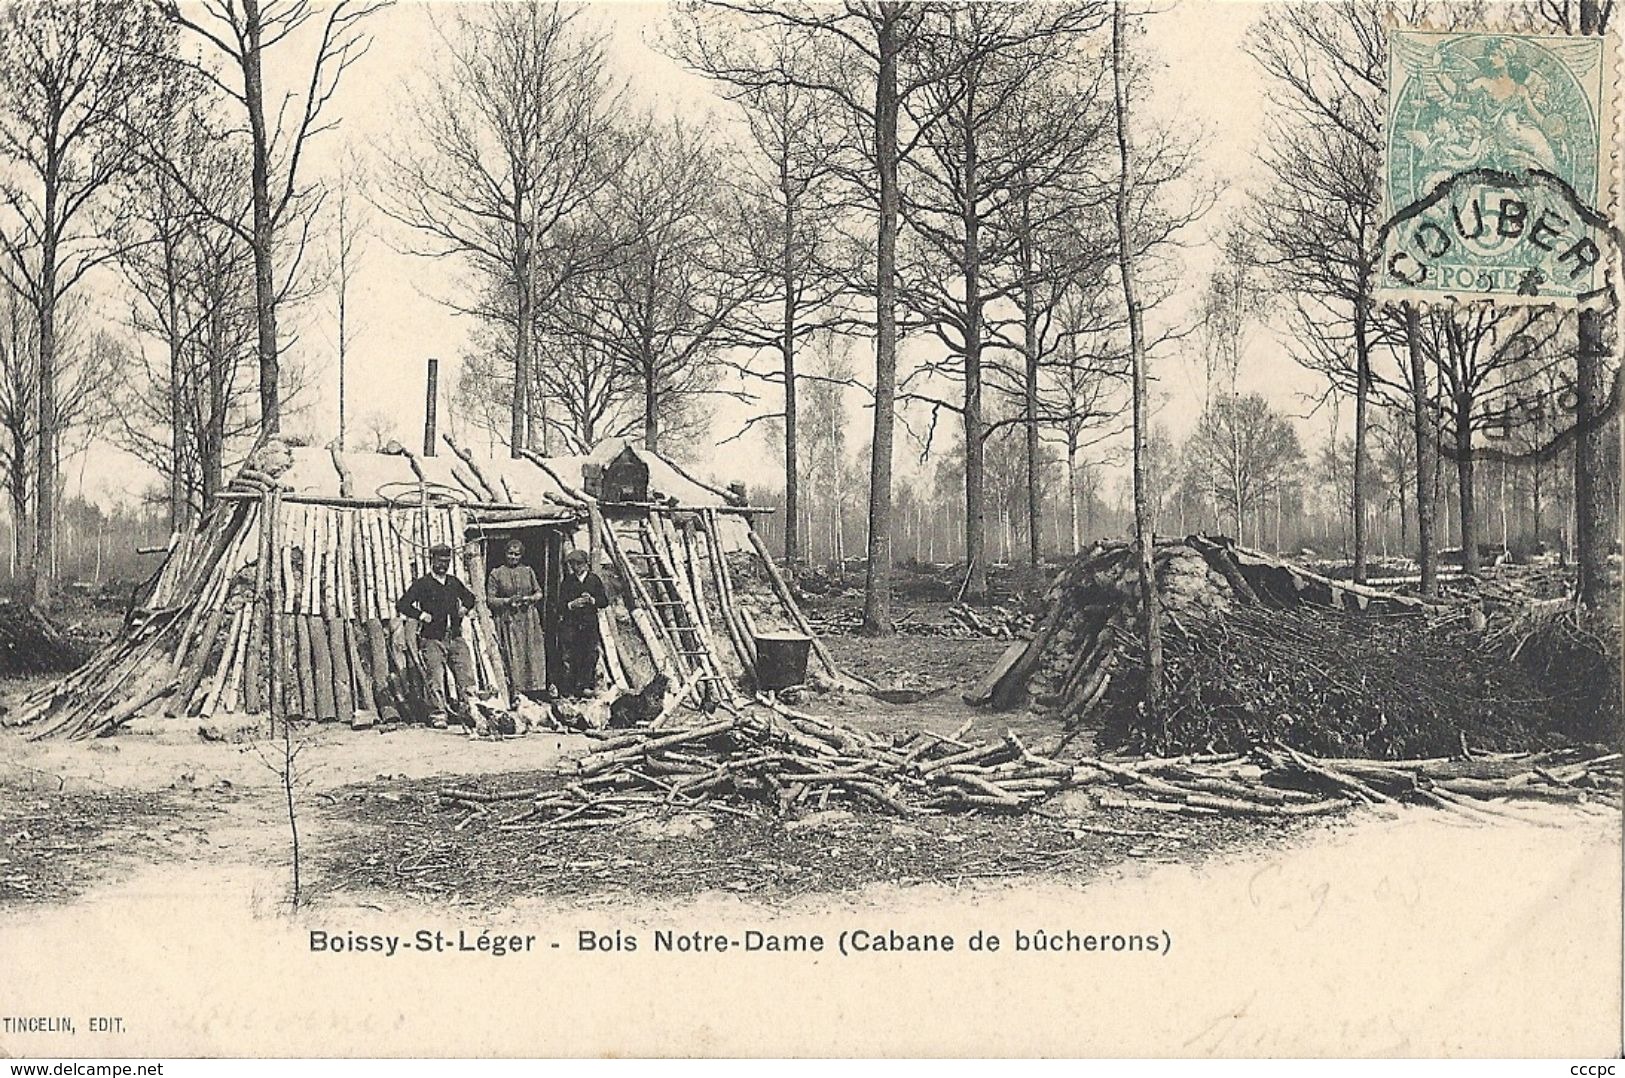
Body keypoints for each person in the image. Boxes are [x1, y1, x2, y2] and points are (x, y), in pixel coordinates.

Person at [395, 542, 478, 729]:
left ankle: (471, 711)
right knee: (436, 678)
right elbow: (403, 604)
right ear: (432, 560)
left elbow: (470, 598)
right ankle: (438, 714)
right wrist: (420, 615)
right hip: (432, 638)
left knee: (466, 675)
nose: (443, 565)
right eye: (440, 561)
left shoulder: (453, 582)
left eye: (446, 561)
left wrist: (464, 608)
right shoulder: (423, 584)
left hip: (455, 637)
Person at [487, 538, 547, 701]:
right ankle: (516, 693)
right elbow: (490, 599)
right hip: (509, 620)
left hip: (528, 619)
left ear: (521, 556)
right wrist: (507, 601)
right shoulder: (496, 573)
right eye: (510, 554)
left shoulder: (528, 571)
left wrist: (529, 598)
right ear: (505, 554)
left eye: (517, 554)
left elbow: (539, 592)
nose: (513, 557)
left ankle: (534, 692)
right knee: (513, 654)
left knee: (531, 652)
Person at [556, 547, 608, 698]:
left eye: (579, 564)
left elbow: (604, 601)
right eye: (573, 564)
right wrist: (571, 604)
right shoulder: (568, 581)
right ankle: (569, 688)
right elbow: (560, 605)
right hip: (571, 624)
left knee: (589, 655)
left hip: (589, 624)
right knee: (570, 656)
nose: (576, 567)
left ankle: (585, 686)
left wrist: (592, 600)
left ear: (586, 564)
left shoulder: (594, 580)